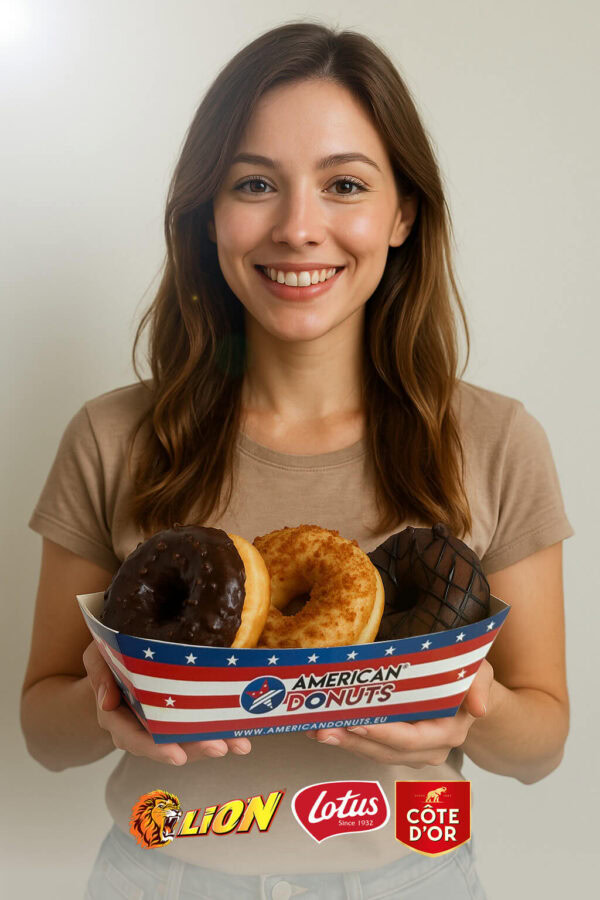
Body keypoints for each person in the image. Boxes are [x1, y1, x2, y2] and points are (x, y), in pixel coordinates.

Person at [20, 21, 574, 900]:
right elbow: (43, 735)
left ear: (402, 214)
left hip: (411, 881)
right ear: (209, 214)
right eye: (255, 184)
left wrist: (466, 711)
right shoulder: (114, 436)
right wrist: (109, 701)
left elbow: (543, 743)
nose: (298, 228)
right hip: (162, 877)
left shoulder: (496, 440)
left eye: (344, 184)